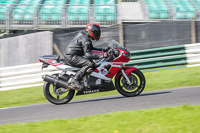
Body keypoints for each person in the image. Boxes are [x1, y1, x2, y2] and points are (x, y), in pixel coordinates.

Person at [64, 23, 109, 90]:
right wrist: (102, 55)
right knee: (90, 63)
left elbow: (91, 49)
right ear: (92, 31)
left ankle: (85, 81)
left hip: (72, 55)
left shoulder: (85, 36)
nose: (98, 34)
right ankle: (75, 80)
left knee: (93, 64)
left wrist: (103, 50)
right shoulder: (85, 39)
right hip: (71, 56)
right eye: (97, 32)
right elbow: (88, 55)